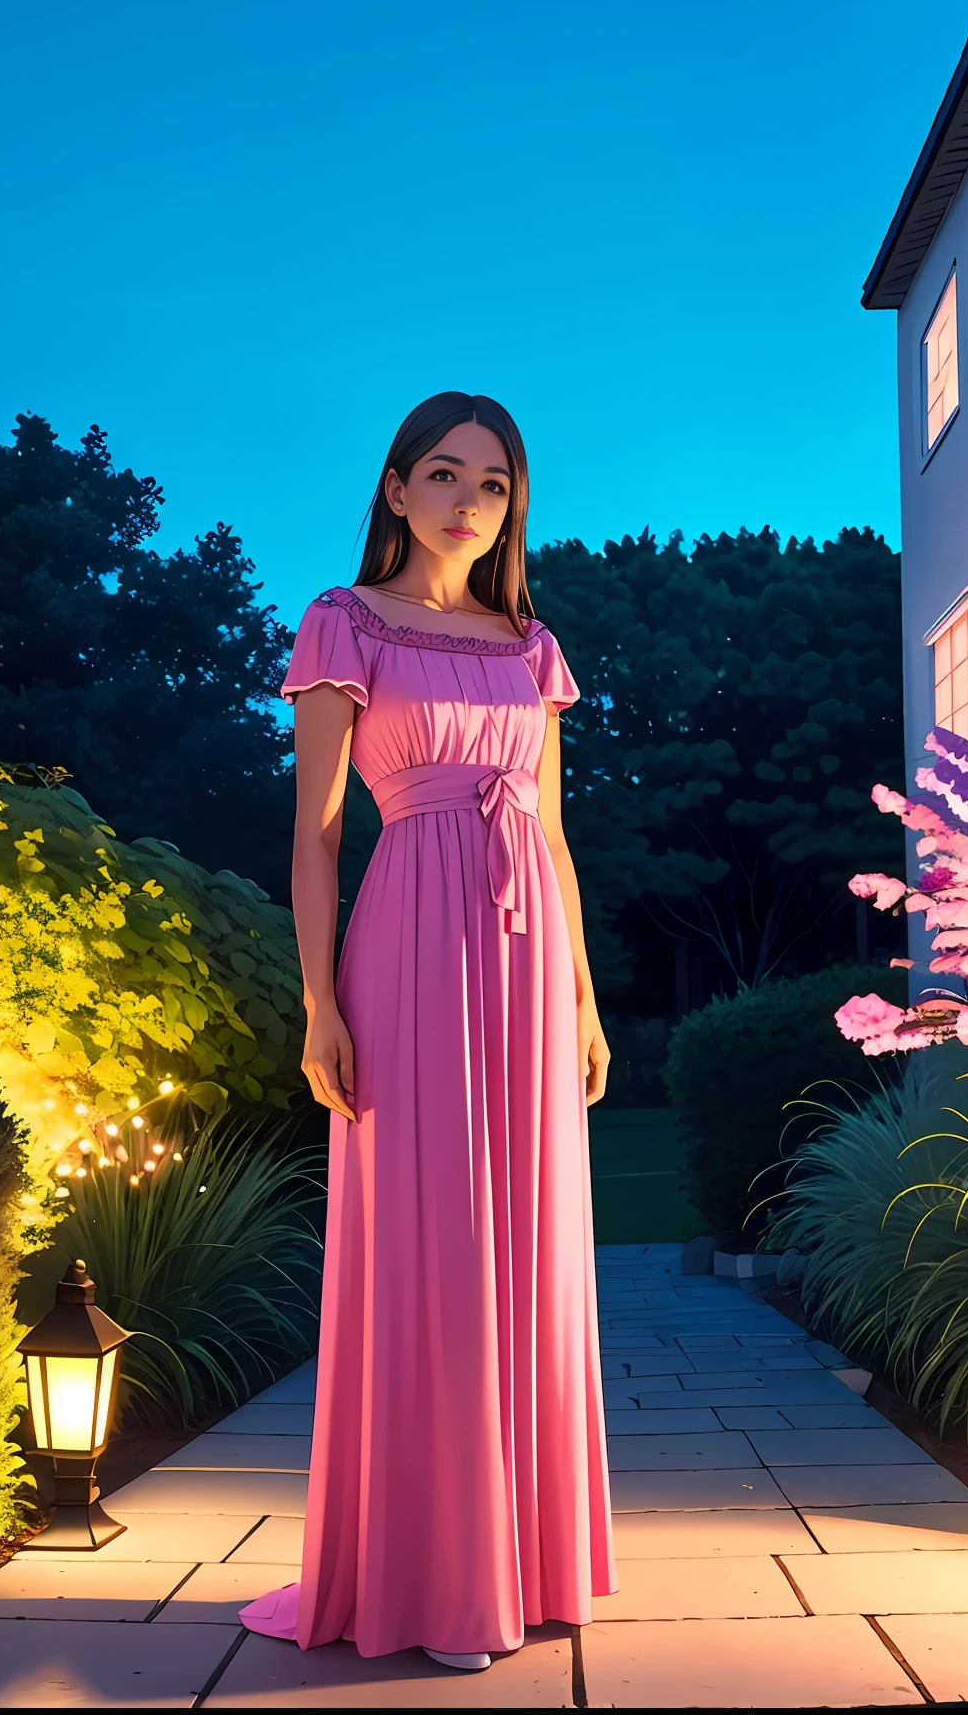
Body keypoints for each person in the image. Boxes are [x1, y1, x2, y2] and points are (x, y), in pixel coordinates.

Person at [238, 391, 616, 1670]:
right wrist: (317, 1003)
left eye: (494, 483)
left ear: (513, 506)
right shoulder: (344, 624)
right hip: (406, 939)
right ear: (395, 490)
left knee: (530, 1241)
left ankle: (532, 1556)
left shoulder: (529, 644)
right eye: (443, 474)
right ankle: (437, 1576)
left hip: (524, 960)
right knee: (435, 1241)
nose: (468, 499)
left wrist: (583, 992)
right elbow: (319, 830)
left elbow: (556, 836)